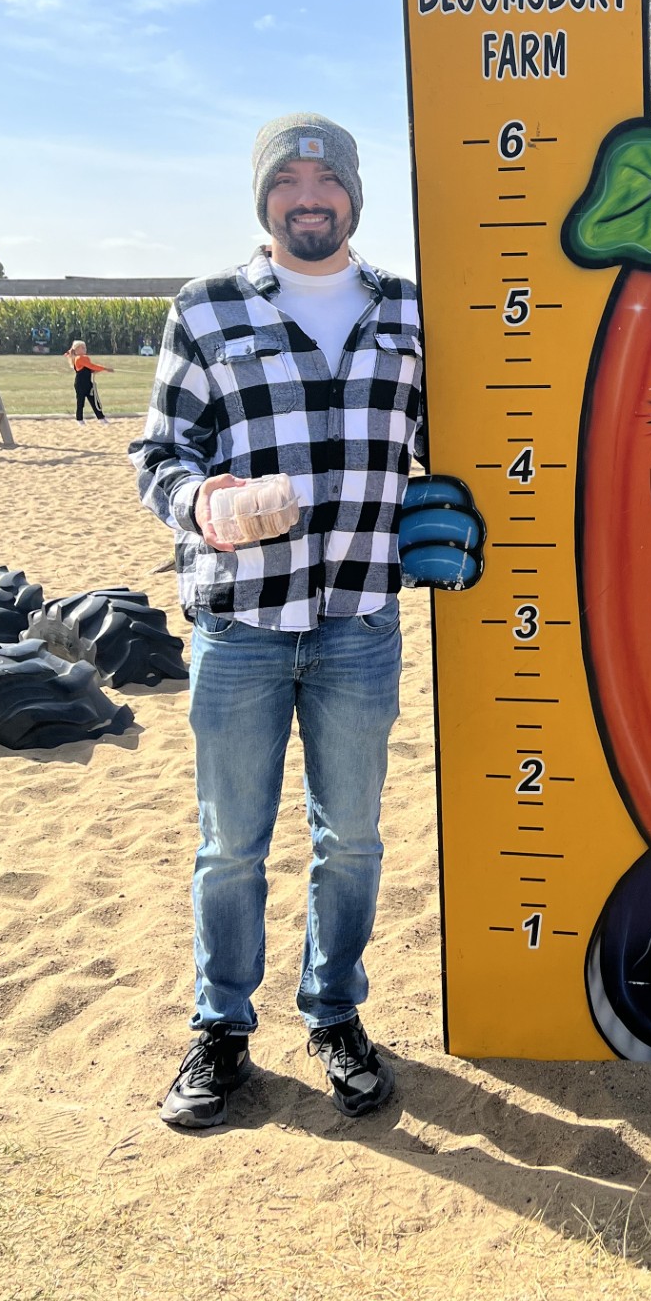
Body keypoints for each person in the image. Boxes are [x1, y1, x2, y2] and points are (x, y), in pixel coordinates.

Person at [129, 114, 430, 1131]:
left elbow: (455, 446)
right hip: (241, 625)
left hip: (360, 622)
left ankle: (334, 1012)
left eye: (326, 180)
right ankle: (221, 1029)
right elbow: (158, 455)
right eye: (288, 181)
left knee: (352, 842)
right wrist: (199, 501)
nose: (309, 197)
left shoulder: (409, 311)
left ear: (353, 194)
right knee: (230, 844)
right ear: (264, 197)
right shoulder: (206, 308)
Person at [64, 340, 111, 422]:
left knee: (94, 401)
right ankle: (79, 419)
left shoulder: (84, 358)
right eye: (82, 347)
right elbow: (91, 366)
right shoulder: (79, 358)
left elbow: (89, 369)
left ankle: (101, 418)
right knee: (80, 403)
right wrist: (105, 368)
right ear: (77, 349)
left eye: (85, 347)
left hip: (88, 383)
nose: (85, 349)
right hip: (80, 384)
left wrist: (99, 370)